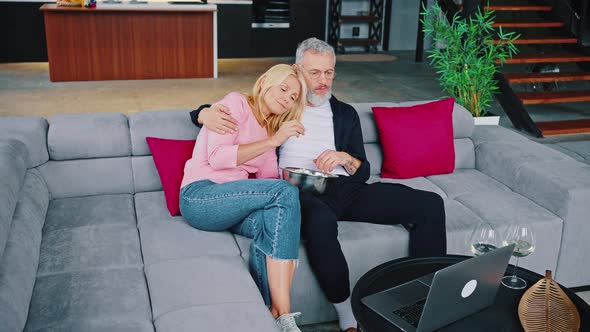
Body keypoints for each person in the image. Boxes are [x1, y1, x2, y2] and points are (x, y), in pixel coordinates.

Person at [191, 38, 447, 332]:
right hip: (298, 192)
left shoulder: (345, 113)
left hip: (345, 189)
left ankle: (428, 300)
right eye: (315, 73)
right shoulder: (281, 107)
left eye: (329, 72)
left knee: (429, 204)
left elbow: (362, 171)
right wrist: (202, 113)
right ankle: (347, 315)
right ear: (298, 70)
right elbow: (245, 108)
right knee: (321, 221)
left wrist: (344, 158)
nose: (323, 80)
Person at [180, 64, 307, 332]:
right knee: (284, 195)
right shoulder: (235, 103)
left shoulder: (270, 131)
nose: (287, 98)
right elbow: (218, 157)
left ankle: (267, 315)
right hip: (200, 197)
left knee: (272, 219)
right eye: (284, 89)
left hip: (231, 206)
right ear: (264, 83)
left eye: (293, 97)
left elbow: (272, 182)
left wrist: (298, 172)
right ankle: (284, 313)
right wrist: (273, 143)